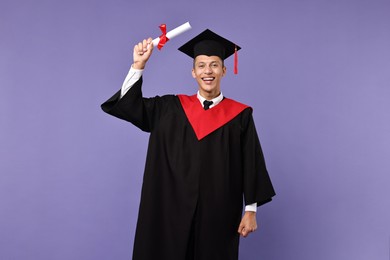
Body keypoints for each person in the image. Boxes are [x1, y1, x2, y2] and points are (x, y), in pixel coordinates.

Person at [101, 29, 275, 260]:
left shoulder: (239, 115)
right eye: (201, 65)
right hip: (169, 209)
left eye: (214, 65)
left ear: (223, 70)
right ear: (193, 72)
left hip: (218, 210)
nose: (208, 71)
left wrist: (250, 210)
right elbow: (128, 106)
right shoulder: (168, 108)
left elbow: (251, 162)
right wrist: (138, 65)